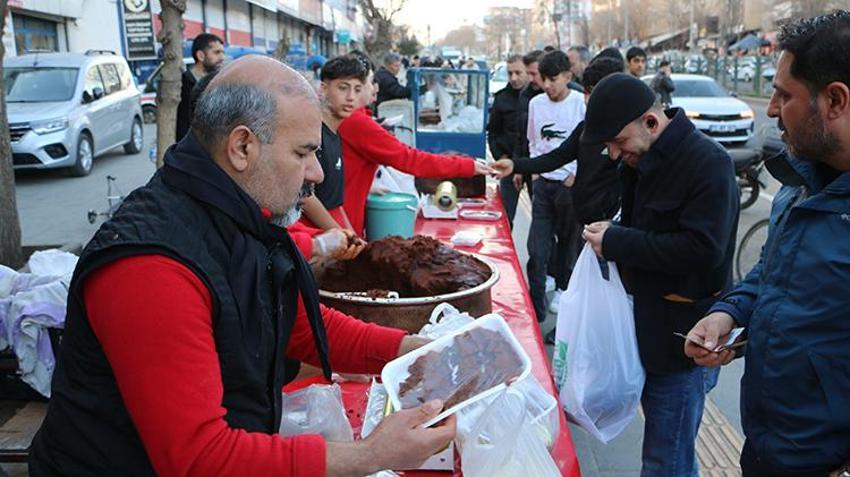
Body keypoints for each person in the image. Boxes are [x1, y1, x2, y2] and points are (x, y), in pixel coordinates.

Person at [29, 56, 456, 476]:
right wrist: (371, 455)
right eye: (303, 153)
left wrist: (412, 352)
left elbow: (300, 325)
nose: (317, 174)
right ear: (242, 147)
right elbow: (200, 458)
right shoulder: (151, 268)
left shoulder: (240, 214)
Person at [684, 11, 850, 476]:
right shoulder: (801, 183)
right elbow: (772, 273)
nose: (772, 109)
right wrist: (729, 314)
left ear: (835, 100)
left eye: (784, 95)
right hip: (766, 446)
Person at [581, 73, 738, 476]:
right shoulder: (639, 161)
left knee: (664, 458)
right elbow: (645, 229)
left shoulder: (708, 163)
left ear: (651, 122)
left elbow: (703, 250)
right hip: (646, 325)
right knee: (672, 452)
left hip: (682, 338)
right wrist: (614, 232)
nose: (614, 154)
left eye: (618, 142)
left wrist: (618, 241)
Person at [492, 56, 625, 343]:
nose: (588, 99)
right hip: (582, 215)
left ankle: (585, 339)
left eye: (593, 93)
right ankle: (541, 323)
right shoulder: (588, 128)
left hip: (608, 228)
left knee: (599, 290)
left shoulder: (629, 136)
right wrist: (516, 165)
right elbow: (555, 155)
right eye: (587, 92)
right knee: (543, 255)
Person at [338, 60, 492, 237]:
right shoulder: (357, 122)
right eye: (371, 82)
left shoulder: (356, 120)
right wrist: (468, 166)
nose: (375, 88)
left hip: (347, 222)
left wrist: (366, 186)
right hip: (345, 225)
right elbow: (410, 159)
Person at [525, 49, 586, 321]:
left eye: (553, 79)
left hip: (568, 186)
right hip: (543, 185)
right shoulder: (535, 104)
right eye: (544, 79)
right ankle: (535, 307)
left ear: (567, 77)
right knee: (537, 249)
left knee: (569, 243)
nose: (548, 85)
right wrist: (535, 172)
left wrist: (575, 174)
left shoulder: (580, 104)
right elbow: (533, 140)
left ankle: (564, 288)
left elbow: (587, 144)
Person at [299, 56, 365, 234]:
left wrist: (352, 236)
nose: (351, 97)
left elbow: (334, 203)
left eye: (357, 89)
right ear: (323, 89)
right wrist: (341, 234)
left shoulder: (335, 134)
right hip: (312, 238)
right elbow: (305, 196)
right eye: (343, 88)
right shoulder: (312, 134)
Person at [487, 54, 529, 229]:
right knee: (504, 218)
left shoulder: (538, 98)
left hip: (534, 164)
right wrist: (500, 156)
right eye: (510, 73)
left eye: (518, 73)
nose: (514, 78)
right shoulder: (502, 98)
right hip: (509, 163)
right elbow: (493, 132)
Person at [176, 33, 225, 141]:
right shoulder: (183, 85)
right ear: (201, 55)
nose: (222, 57)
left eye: (223, 52)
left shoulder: (221, 82)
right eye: (217, 52)